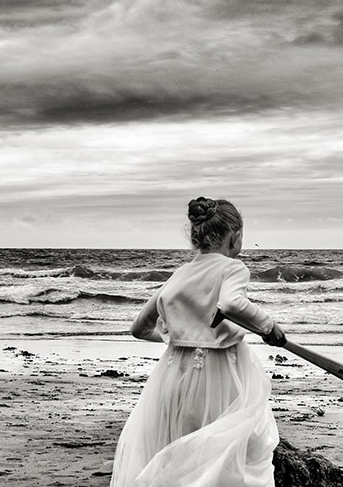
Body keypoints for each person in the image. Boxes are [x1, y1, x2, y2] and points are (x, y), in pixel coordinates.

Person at [110, 197, 287, 487]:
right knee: (226, 460)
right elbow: (231, 303)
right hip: (220, 377)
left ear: (195, 237)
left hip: (173, 379)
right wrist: (269, 328)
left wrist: (178, 339)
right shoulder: (232, 268)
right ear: (236, 235)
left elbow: (139, 328)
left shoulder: (178, 276)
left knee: (179, 458)